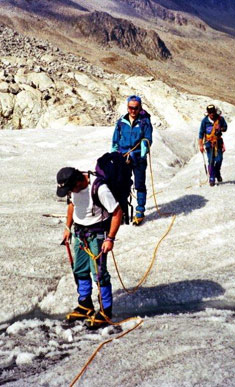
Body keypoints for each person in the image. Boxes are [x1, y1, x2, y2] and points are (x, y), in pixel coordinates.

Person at [57, 166, 123, 329]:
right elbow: (72, 205)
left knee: (99, 274)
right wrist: (67, 227)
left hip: (97, 235)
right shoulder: (74, 189)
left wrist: (110, 238)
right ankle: (85, 304)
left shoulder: (99, 188)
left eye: (70, 188)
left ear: (78, 181)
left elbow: (117, 212)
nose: (69, 191)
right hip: (80, 233)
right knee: (79, 269)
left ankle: (106, 311)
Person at [111, 95, 153, 225]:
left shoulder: (144, 122)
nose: (133, 111)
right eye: (130, 108)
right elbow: (116, 138)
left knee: (139, 184)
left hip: (138, 157)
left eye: (135, 108)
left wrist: (145, 144)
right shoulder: (121, 122)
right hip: (123, 157)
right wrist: (114, 150)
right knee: (122, 184)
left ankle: (140, 210)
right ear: (127, 107)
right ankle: (123, 210)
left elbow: (148, 137)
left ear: (140, 107)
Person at [198, 104, 228, 186]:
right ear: (208, 113)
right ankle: (212, 177)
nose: (212, 114)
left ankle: (217, 172)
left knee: (219, 159)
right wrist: (200, 145)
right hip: (209, 143)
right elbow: (201, 134)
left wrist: (220, 128)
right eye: (210, 113)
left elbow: (225, 127)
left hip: (218, 142)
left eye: (213, 112)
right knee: (211, 160)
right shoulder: (204, 121)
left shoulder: (220, 119)